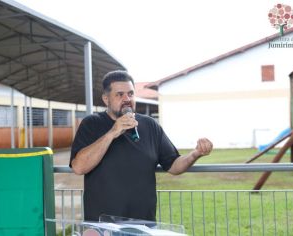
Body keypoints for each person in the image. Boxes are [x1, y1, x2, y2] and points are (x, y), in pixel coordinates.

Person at [70, 70, 213, 222]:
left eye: (131, 94)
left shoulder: (149, 125)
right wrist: (112, 133)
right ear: (106, 99)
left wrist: (195, 154)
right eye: (120, 94)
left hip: (143, 223)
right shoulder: (91, 123)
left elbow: (173, 165)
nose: (127, 99)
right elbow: (79, 167)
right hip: (102, 225)